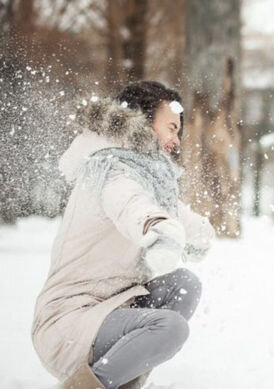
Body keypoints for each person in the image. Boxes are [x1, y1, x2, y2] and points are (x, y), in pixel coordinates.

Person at [31, 81, 215, 389]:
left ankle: (118, 383)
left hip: (113, 309)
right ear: (141, 121)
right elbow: (133, 206)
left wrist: (199, 234)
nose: (176, 140)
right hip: (68, 324)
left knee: (184, 285)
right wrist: (160, 232)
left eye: (178, 131)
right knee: (170, 328)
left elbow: (171, 212)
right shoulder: (108, 168)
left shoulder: (143, 175)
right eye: (171, 128)